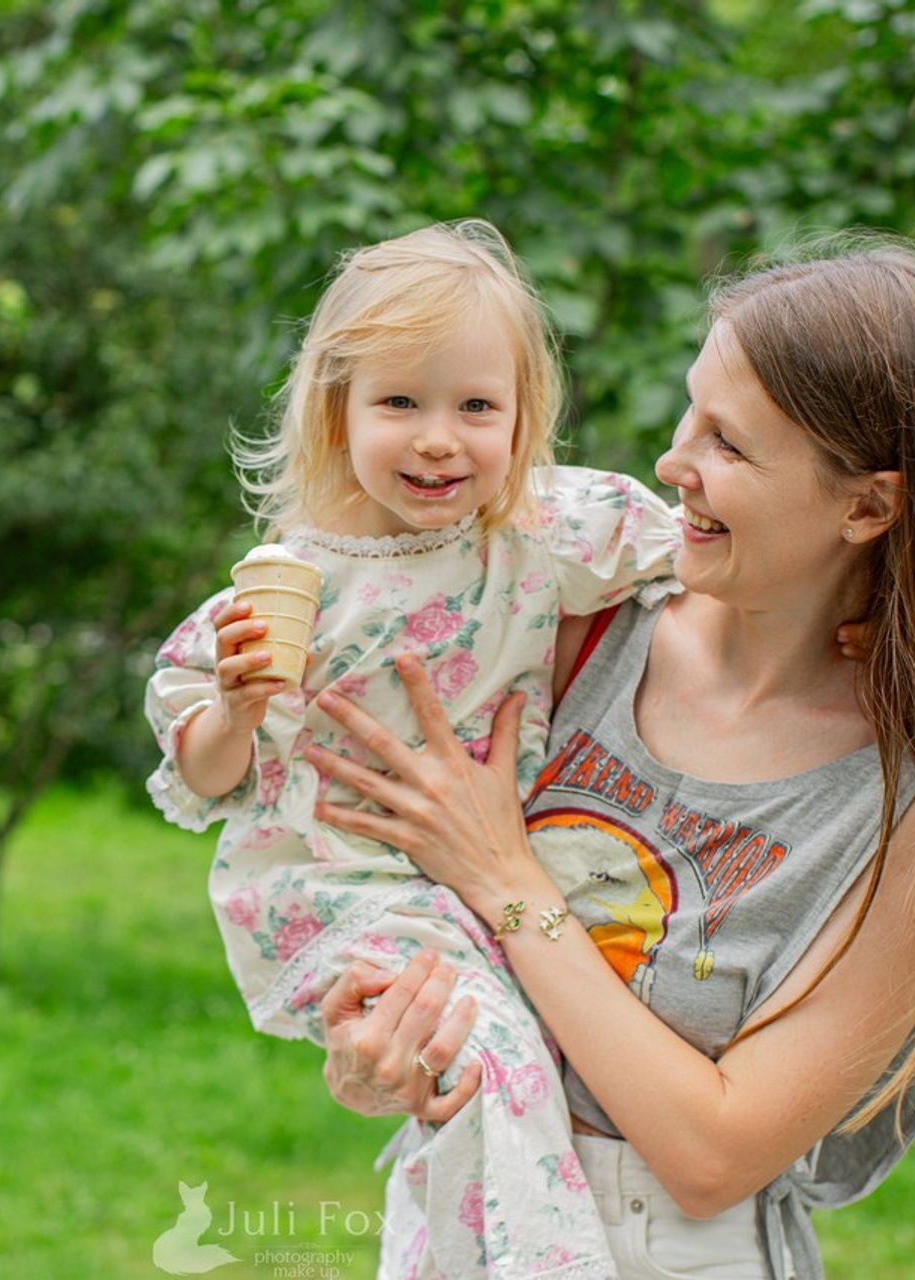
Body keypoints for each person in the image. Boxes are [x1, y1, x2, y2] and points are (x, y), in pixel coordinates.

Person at [307, 235, 915, 1279]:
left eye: (727, 443)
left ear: (863, 506)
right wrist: (381, 1050)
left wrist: (504, 877)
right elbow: (390, 899)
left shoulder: (886, 805)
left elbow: (711, 1149)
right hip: (457, 1217)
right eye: (690, 410)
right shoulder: (573, 624)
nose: (672, 461)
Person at [145, 219, 681, 1277]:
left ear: (523, 416)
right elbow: (201, 776)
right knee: (486, 1063)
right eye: (399, 402)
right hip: (346, 888)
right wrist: (239, 709)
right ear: (332, 410)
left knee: (475, 1094)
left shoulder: (532, 533)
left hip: (491, 881)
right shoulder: (295, 584)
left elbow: (706, 558)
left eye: (475, 406)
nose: (439, 438)